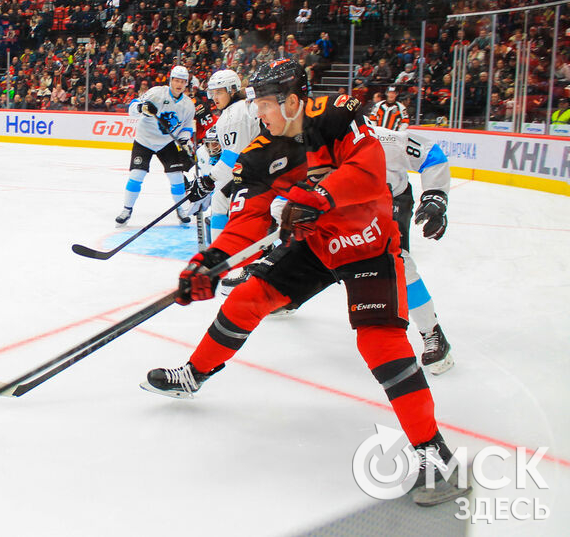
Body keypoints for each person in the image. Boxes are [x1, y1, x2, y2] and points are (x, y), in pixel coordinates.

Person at [141, 60, 467, 507]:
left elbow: (369, 169)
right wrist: (210, 261)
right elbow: (252, 217)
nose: (260, 114)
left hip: (368, 241)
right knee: (248, 298)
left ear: (292, 101)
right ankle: (194, 374)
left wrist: (321, 197)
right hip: (318, 244)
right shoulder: (262, 150)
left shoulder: (335, 115)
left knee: (379, 341)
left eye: (265, 104)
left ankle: (434, 454)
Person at [369, 122, 454, 374]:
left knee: (398, 264)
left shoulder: (386, 140)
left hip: (391, 201)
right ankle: (290, 296)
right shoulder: (321, 139)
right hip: (352, 204)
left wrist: (435, 196)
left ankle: (432, 332)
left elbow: (432, 154)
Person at [116, 65, 196, 226]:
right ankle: (127, 209)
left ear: (186, 83)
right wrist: (141, 107)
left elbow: (186, 128)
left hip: (166, 143)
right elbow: (132, 107)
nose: (179, 84)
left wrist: (185, 140)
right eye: (176, 80)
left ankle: (180, 209)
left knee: (176, 177)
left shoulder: (188, 105)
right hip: (144, 140)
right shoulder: (156, 92)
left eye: (182, 81)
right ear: (171, 80)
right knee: (136, 175)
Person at [185, 69, 258, 246]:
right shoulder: (236, 109)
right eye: (212, 93)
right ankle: (219, 251)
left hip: (259, 172)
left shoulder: (235, 114)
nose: (214, 97)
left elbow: (232, 160)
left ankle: (234, 252)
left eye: (219, 92)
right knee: (219, 198)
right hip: (255, 166)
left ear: (232, 90)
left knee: (233, 204)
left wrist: (207, 181)